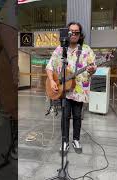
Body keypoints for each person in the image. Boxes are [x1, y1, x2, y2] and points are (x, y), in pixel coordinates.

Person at [46, 22, 97, 154]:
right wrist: (52, 81)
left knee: (77, 116)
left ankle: (76, 139)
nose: (73, 34)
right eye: (71, 32)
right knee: (65, 116)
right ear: (67, 33)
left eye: (76, 32)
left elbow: (92, 70)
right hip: (64, 91)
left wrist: (92, 70)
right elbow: (49, 67)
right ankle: (64, 142)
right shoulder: (59, 50)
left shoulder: (86, 50)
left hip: (79, 91)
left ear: (80, 35)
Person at [0, 0, 19, 160]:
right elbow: (5, 25)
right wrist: (14, 59)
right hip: (14, 59)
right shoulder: (14, 3)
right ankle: (18, 145)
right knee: (16, 107)